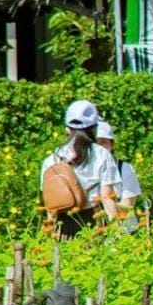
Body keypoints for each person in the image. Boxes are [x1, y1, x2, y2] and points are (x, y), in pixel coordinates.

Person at [40, 99, 124, 239]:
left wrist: (52, 234)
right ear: (94, 128)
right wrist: (116, 232)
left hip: (62, 226)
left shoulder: (51, 160)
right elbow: (106, 197)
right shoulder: (102, 155)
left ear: (67, 129)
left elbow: (50, 204)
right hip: (94, 222)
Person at [94, 120, 142, 230]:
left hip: (124, 231)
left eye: (103, 142)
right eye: (95, 142)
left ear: (112, 144)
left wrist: (106, 198)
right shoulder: (84, 170)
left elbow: (128, 206)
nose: (99, 147)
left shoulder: (124, 168)